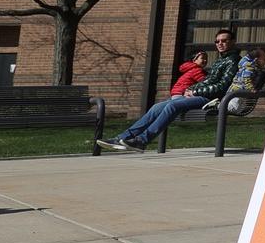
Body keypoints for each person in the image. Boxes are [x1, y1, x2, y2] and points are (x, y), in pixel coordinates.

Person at [99, 29, 242, 152]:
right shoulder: (220, 61)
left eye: (224, 40)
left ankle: (142, 141)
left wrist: (195, 92)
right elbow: (207, 81)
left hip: (212, 99)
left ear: (233, 41)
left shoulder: (233, 60)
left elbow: (222, 86)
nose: (220, 44)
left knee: (172, 105)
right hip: (199, 94)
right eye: (217, 42)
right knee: (157, 107)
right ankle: (122, 138)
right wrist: (190, 89)